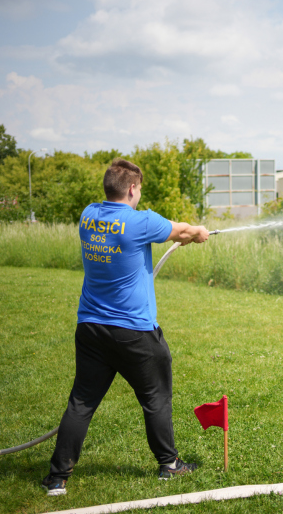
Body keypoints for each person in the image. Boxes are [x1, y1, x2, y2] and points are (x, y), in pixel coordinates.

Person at [41, 158, 209, 496]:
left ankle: (57, 478)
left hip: (90, 328)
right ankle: (170, 464)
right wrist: (199, 233)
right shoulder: (140, 222)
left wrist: (183, 234)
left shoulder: (88, 216)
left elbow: (167, 233)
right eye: (139, 189)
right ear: (132, 188)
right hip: (134, 331)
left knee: (81, 403)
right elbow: (185, 231)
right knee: (156, 397)